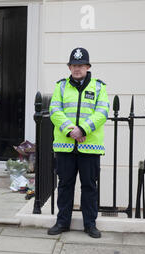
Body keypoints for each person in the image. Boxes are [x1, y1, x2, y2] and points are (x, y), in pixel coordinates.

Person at [47, 48, 110, 238]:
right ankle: (62, 222)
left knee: (89, 186)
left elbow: (102, 112)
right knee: (65, 185)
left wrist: (82, 129)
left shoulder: (99, 87)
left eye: (81, 65)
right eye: (74, 65)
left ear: (88, 67)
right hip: (66, 145)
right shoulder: (61, 86)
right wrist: (70, 130)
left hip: (90, 147)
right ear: (69, 67)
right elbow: (54, 110)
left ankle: (90, 224)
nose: (77, 69)